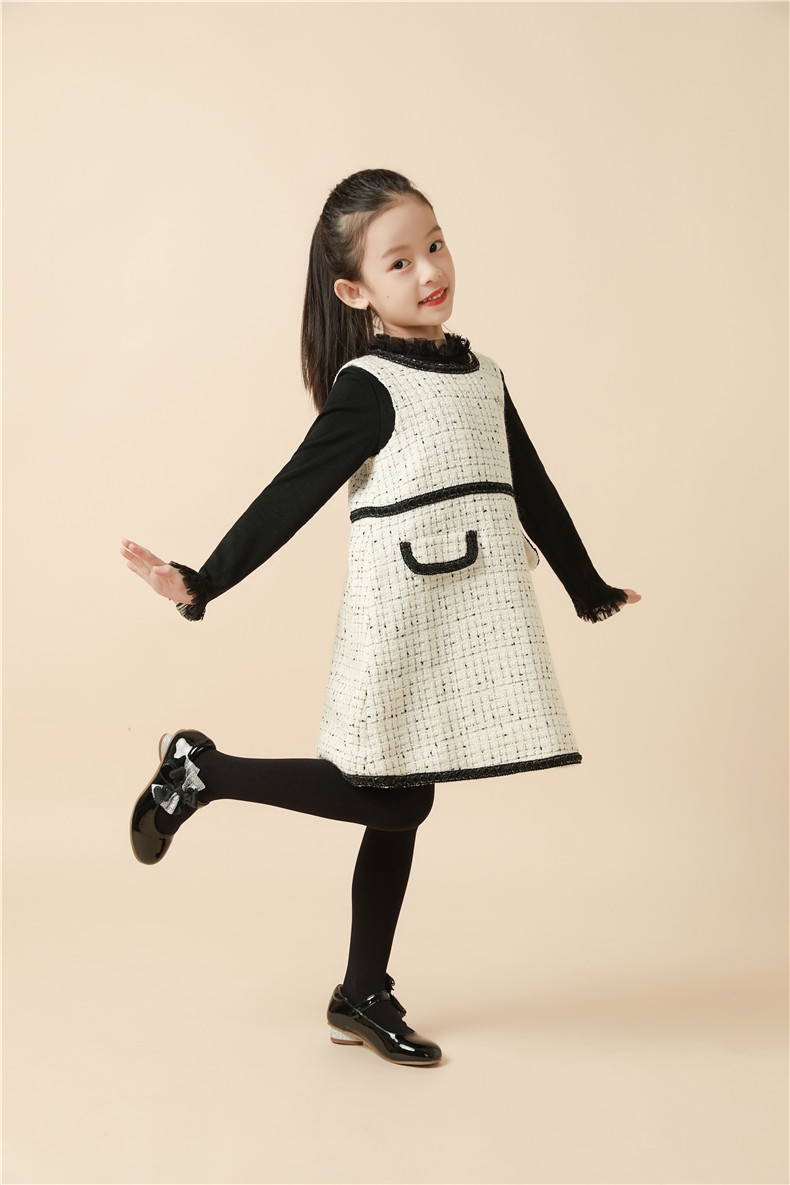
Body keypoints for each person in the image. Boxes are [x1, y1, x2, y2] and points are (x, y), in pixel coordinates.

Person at [121, 168, 641, 1068]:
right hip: (400, 619)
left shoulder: (484, 374)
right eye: (399, 261)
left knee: (400, 804)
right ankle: (203, 772)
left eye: (435, 245)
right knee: (401, 794)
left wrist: (585, 584)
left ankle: (361, 991)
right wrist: (203, 580)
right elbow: (294, 490)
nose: (429, 270)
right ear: (356, 291)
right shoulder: (369, 386)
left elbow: (530, 484)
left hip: (462, 617)